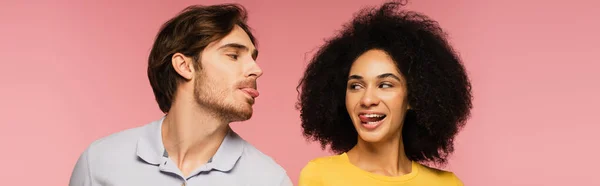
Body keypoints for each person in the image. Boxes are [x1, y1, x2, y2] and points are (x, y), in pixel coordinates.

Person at [69, 3, 292, 186]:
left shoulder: (270, 179)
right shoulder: (99, 162)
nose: (256, 69)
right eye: (234, 55)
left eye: (253, 57)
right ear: (184, 66)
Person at [296, 1, 473, 185]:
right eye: (356, 86)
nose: (367, 99)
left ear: (414, 97)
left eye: (385, 85)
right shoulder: (321, 176)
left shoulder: (447, 183)